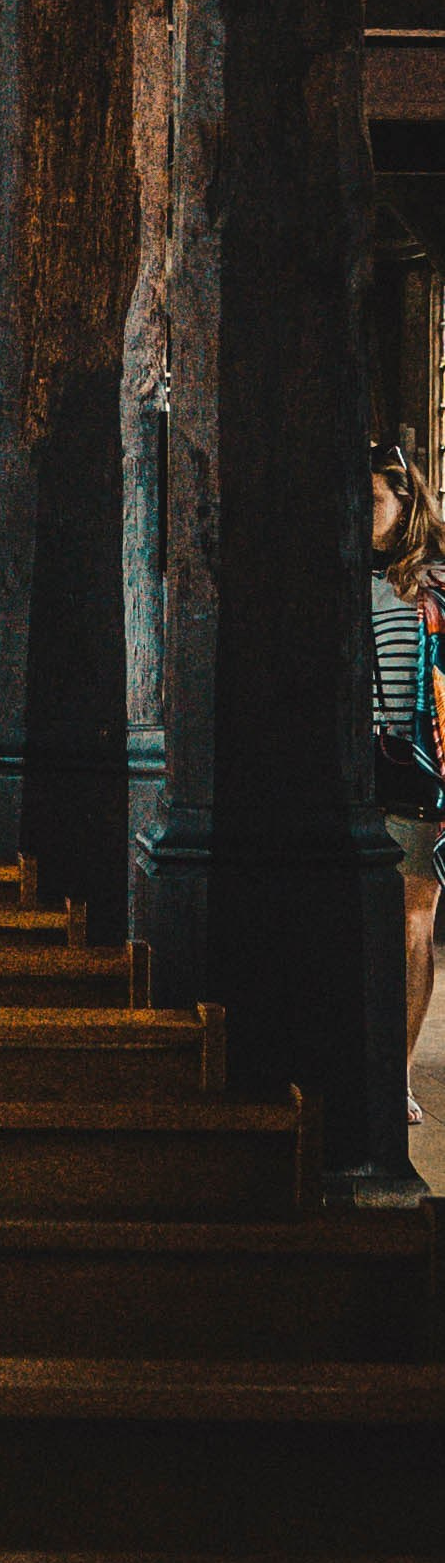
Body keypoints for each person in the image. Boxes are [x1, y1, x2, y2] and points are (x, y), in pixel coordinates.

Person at [369, 437, 445, 1123]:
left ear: (406, 503)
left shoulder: (436, 583)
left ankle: (398, 1074)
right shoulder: (353, 574)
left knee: (412, 923)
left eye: (374, 501)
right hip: (359, 771)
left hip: (420, 772)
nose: (364, 513)